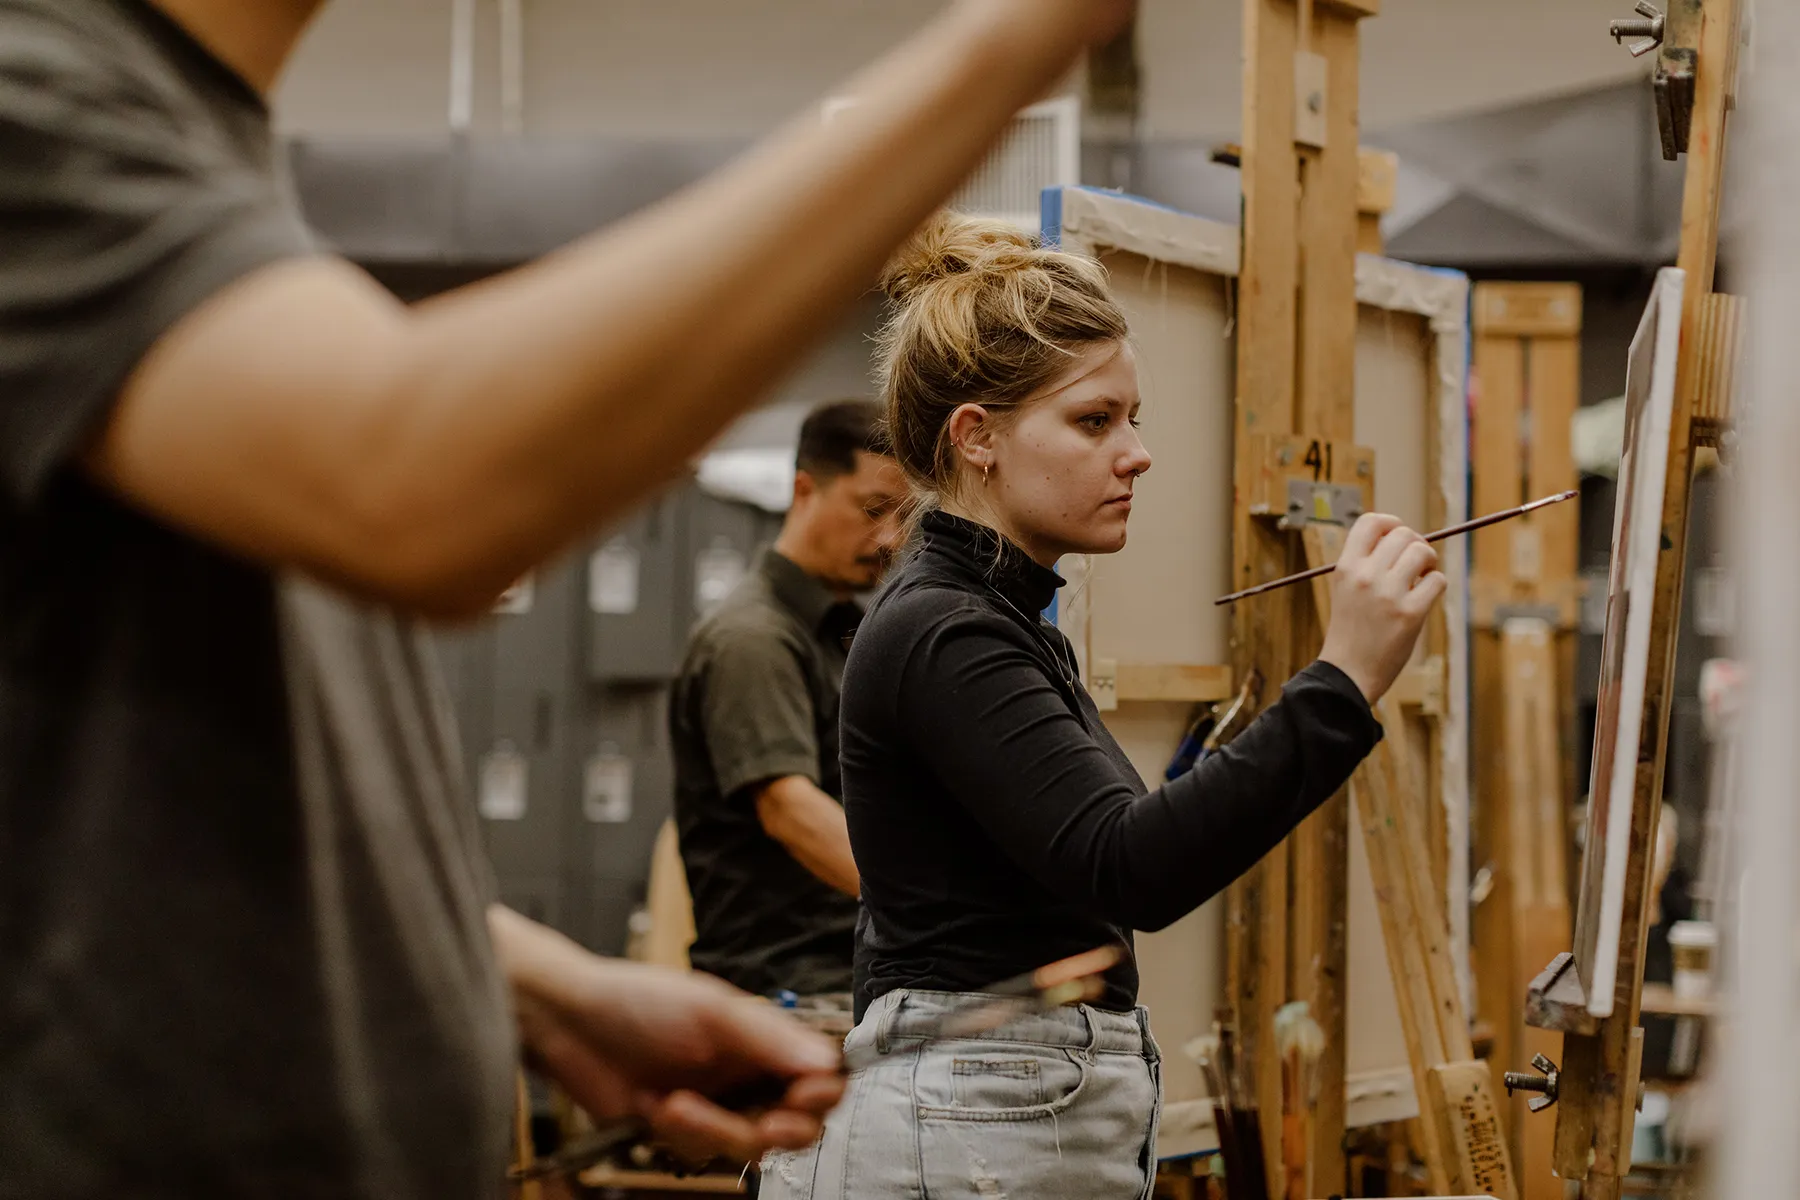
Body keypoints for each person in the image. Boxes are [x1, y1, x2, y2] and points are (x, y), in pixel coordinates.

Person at [0, 0, 1137, 1195]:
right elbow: (417, 484)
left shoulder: (191, 142)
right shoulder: (37, 102)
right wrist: (1020, 35)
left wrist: (551, 993)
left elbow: (131, 791)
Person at [758, 214, 1448, 1199]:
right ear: (977, 438)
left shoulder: (996, 618)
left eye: (1133, 419)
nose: (1136, 454)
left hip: (991, 1113)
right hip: (972, 1125)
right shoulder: (948, 631)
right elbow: (1131, 866)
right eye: (1094, 421)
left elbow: (1109, 857)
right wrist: (1341, 681)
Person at [670, 400, 901, 1003]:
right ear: (804, 490)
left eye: (903, 515)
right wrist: (938, 909)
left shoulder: (843, 633)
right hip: (786, 988)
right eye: (872, 510)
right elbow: (790, 811)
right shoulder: (753, 638)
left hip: (851, 970)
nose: (890, 538)